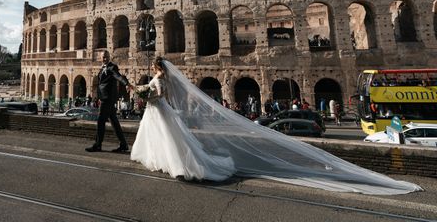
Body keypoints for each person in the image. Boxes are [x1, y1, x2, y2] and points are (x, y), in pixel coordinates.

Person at [129, 56, 421, 195]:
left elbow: (151, 93)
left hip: (158, 109)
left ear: (156, 69)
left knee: (169, 139)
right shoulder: (166, 79)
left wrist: (139, 89)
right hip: (162, 111)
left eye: (153, 69)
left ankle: (185, 164)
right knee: (171, 138)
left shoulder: (157, 80)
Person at [86, 51, 132, 153]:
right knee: (114, 122)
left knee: (100, 120)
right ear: (100, 58)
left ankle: (98, 145)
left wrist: (126, 83)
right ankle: (123, 144)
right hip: (105, 98)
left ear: (109, 57)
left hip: (107, 99)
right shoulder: (103, 68)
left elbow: (118, 76)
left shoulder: (112, 67)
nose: (105, 59)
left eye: (106, 57)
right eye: (103, 57)